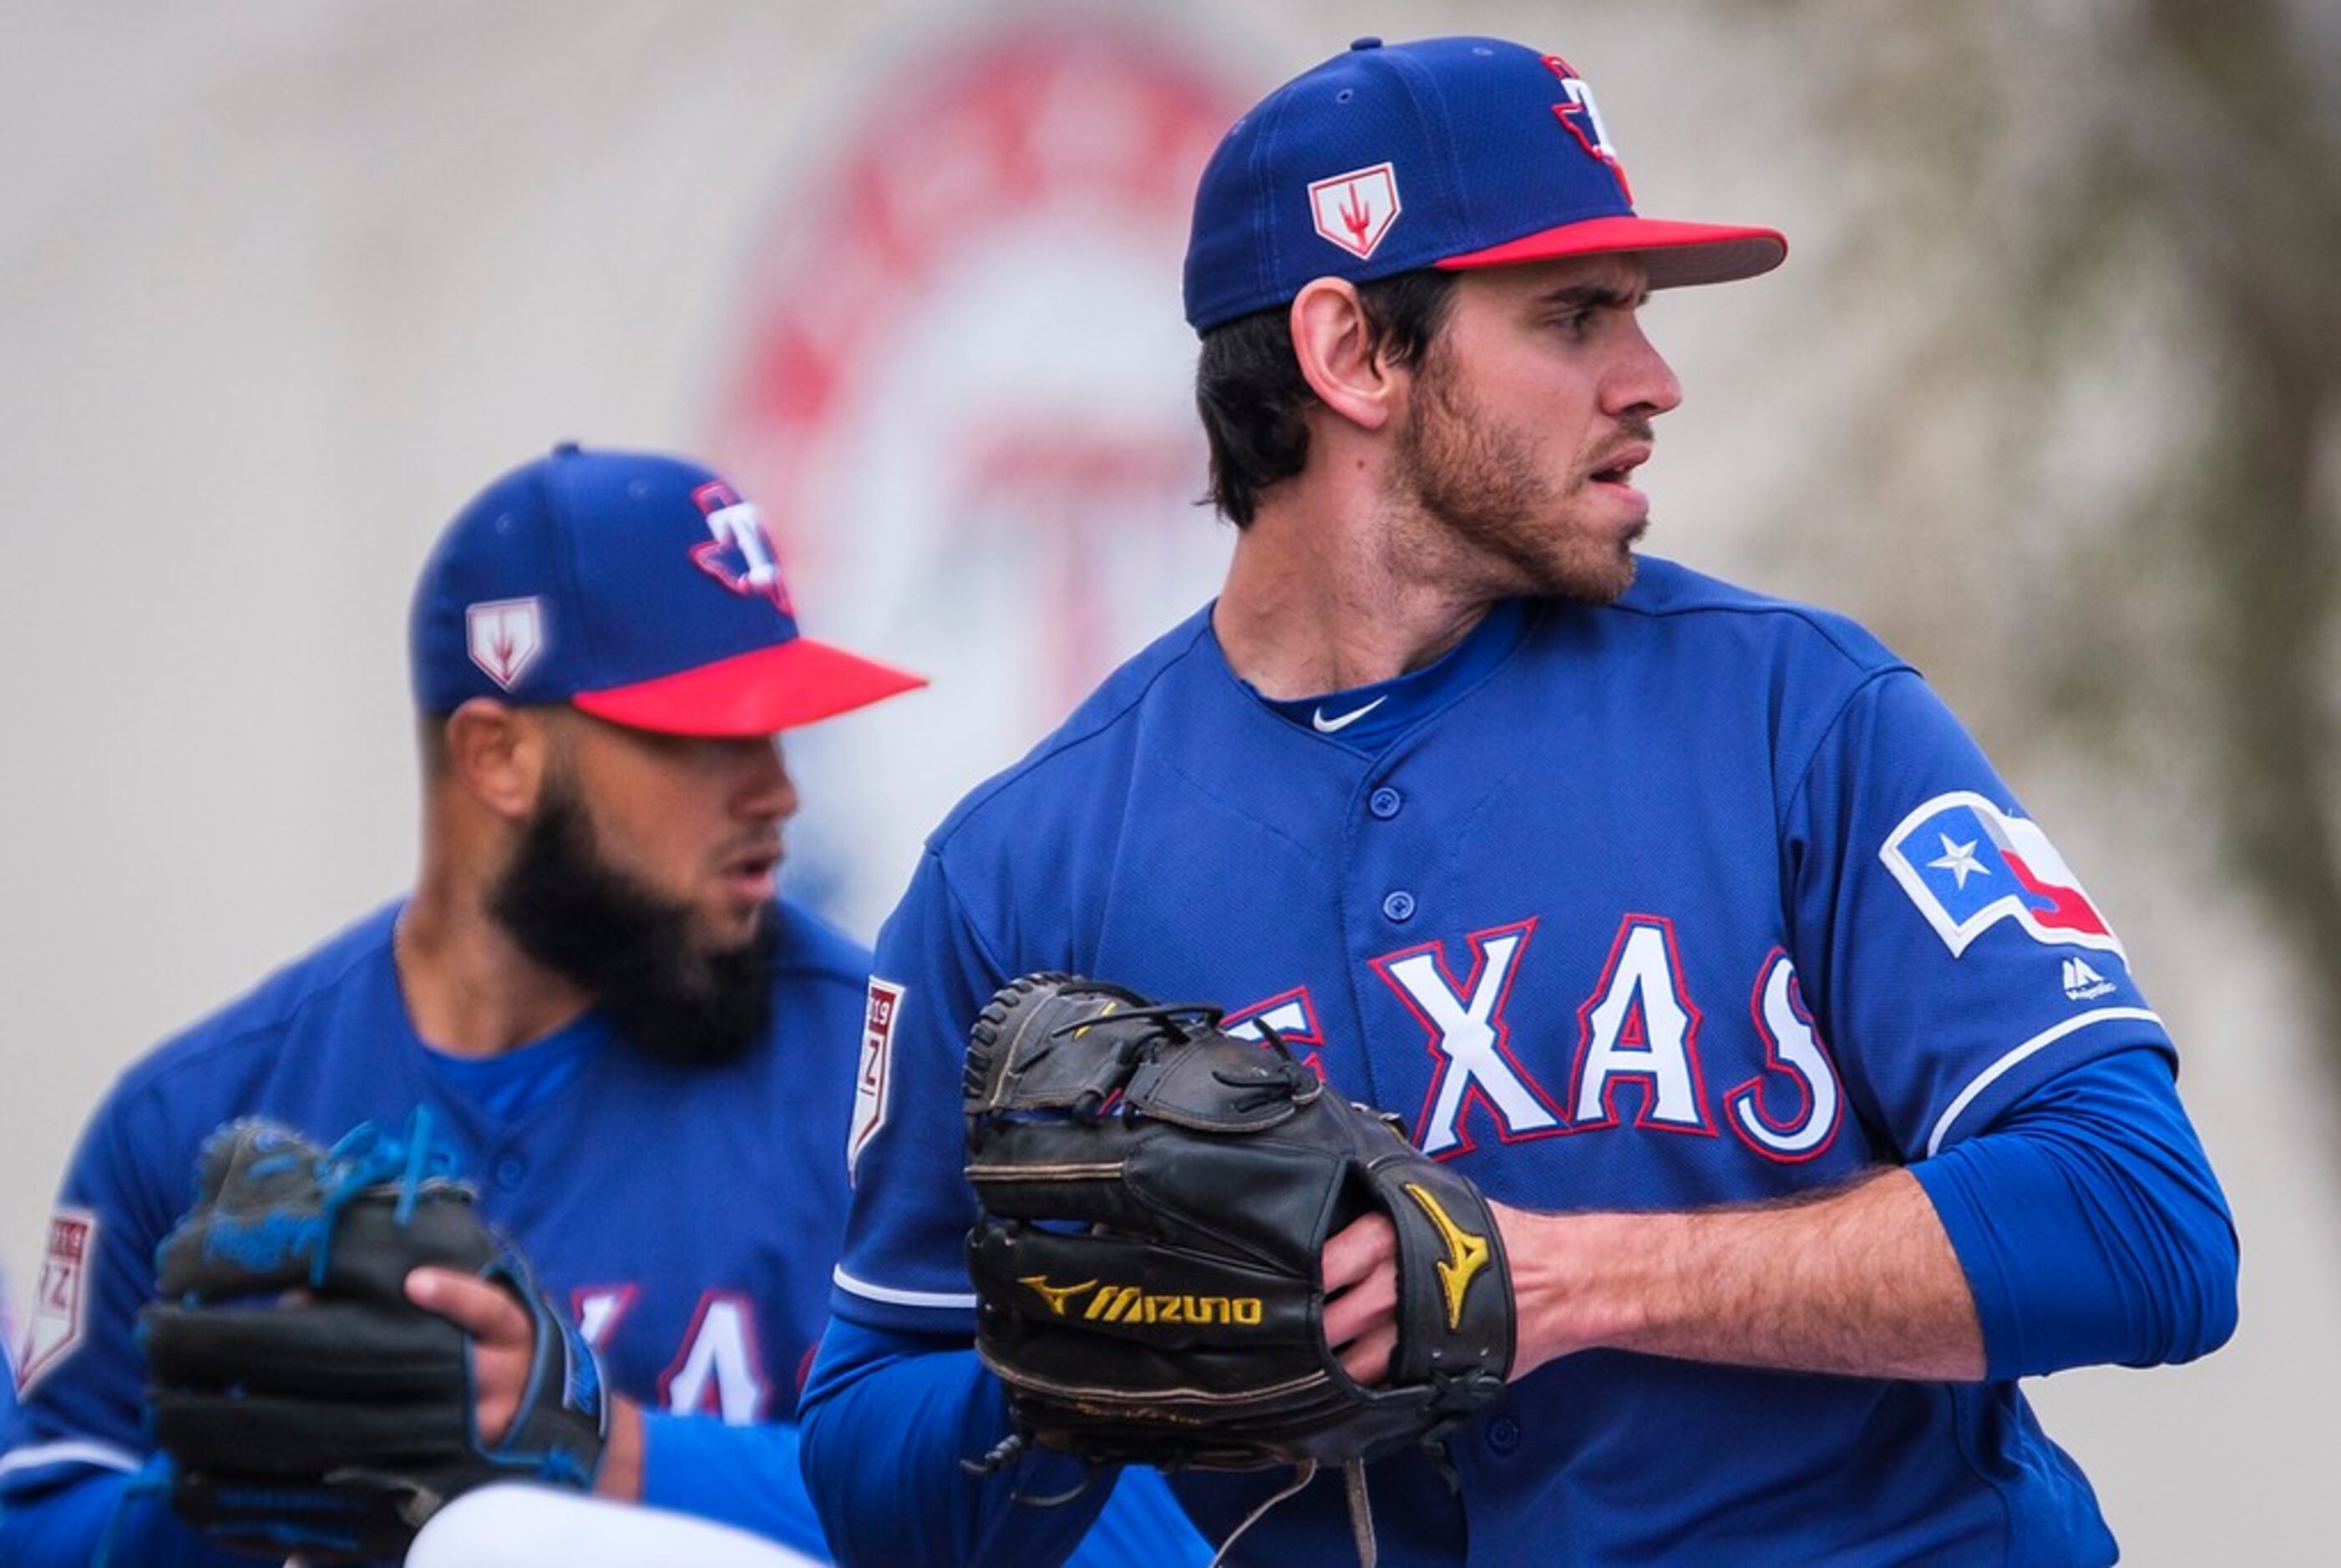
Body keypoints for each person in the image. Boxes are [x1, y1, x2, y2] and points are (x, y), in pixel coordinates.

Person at [798, 34, 2241, 1566]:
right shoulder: (1023, 872)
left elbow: (2142, 1221)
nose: (1654, 378)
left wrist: (1563, 1279)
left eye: (1635, 310)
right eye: (1574, 316)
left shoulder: (1796, 713)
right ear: (1352, 353)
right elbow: (868, 1450)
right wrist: (1061, 1380)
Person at [0, 443, 1206, 1567]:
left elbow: (1146, 1534)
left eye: (778, 727)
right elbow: (42, 1514)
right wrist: (231, 1491)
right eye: (702, 737)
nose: (777, 790)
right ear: (498, 756)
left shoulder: (888, 1078)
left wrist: (612, 1448)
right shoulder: (195, 1113)